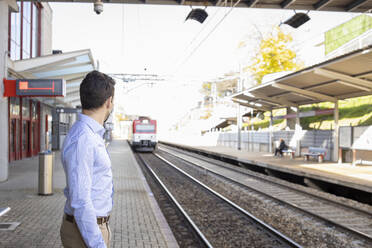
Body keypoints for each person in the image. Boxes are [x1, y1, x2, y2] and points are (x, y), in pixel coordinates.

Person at [60, 70, 115, 248]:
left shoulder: (89, 135)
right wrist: (98, 244)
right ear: (109, 102)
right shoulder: (84, 139)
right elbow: (80, 200)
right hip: (84, 234)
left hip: (89, 229)